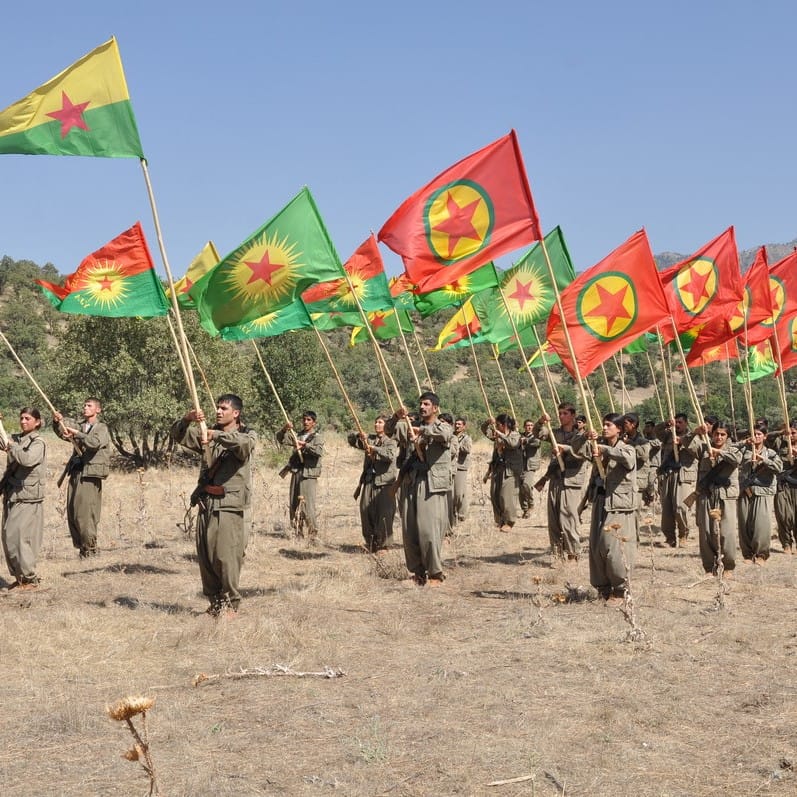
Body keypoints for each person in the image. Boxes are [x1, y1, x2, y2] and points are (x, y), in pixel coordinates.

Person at [171, 395, 256, 616]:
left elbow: (243, 446)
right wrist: (187, 419)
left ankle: (230, 604)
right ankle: (215, 602)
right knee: (206, 557)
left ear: (236, 413)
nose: (218, 411)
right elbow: (178, 435)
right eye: (217, 408)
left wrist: (216, 435)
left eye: (223, 408)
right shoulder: (206, 432)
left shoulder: (246, 434)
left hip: (229, 505)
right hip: (206, 503)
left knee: (226, 557)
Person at [396, 392, 452, 586]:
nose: (422, 407)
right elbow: (390, 430)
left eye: (426, 404)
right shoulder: (410, 426)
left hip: (431, 485)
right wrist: (396, 417)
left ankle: (435, 573)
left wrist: (422, 431)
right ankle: (418, 573)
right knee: (409, 530)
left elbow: (444, 435)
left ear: (435, 408)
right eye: (420, 404)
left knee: (428, 531)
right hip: (412, 481)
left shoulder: (442, 426)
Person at [584, 413, 637, 603]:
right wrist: (587, 437)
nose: (604, 428)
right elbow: (577, 450)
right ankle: (603, 588)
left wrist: (605, 449)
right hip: (601, 502)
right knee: (596, 547)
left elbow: (628, 460)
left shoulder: (627, 448)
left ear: (619, 429)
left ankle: (620, 589)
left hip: (618, 505)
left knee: (613, 547)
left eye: (609, 425)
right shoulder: (597, 447)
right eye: (603, 425)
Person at [53, 397, 111, 558]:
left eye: (89, 405)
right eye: (84, 405)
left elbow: (94, 443)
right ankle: (83, 549)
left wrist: (77, 434)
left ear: (98, 410)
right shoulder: (80, 426)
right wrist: (57, 422)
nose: (85, 408)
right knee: (73, 512)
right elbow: (63, 432)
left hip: (89, 475)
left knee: (85, 514)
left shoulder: (101, 428)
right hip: (76, 473)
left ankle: (90, 549)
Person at [687, 420, 742, 575]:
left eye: (723, 434)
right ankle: (710, 566)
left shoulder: (733, 449)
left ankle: (728, 566)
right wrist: (695, 432)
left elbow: (736, 460)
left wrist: (720, 453)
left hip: (725, 496)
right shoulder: (703, 447)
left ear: (727, 436)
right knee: (706, 533)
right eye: (716, 434)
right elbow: (686, 443)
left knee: (727, 533)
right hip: (706, 494)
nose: (719, 437)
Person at [535, 403, 588, 561]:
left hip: (571, 480)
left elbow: (582, 455)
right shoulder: (555, 433)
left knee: (568, 519)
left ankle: (573, 553)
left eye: (565, 413)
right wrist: (541, 421)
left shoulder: (580, 435)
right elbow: (538, 433)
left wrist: (565, 449)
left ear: (573, 415)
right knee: (553, 519)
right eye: (560, 413)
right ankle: (557, 554)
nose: (561, 416)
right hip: (556, 478)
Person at [0, 408, 47, 589]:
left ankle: (29, 578)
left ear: (37, 422)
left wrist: (12, 446)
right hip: (12, 494)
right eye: (21, 418)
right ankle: (20, 578)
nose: (23, 421)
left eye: (28, 418)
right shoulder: (17, 439)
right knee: (8, 537)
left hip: (27, 497)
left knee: (19, 538)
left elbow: (27, 459)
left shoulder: (38, 443)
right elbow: (5, 442)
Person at [348, 415, 397, 553]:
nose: (376, 424)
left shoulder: (391, 441)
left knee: (384, 513)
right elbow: (351, 441)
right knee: (365, 510)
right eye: (376, 422)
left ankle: (384, 545)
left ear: (386, 425)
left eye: (380, 422)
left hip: (385, 482)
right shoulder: (369, 439)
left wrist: (374, 449)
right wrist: (358, 435)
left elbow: (389, 456)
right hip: (369, 480)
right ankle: (371, 542)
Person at [738, 423, 783, 564]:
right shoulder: (743, 451)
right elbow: (730, 452)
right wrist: (744, 443)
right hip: (745, 491)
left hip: (763, 491)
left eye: (759, 434)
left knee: (761, 525)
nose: (756, 437)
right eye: (754, 434)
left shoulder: (771, 453)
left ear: (764, 436)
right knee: (744, 524)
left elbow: (778, 467)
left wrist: (763, 460)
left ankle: (761, 555)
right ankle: (747, 554)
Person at [277, 410, 324, 540]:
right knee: (294, 503)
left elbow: (318, 451)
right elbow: (281, 439)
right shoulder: (296, 435)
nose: (305, 422)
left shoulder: (317, 437)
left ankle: (313, 536)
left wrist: (305, 445)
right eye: (304, 419)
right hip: (296, 472)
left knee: (307, 506)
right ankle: (298, 533)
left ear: (314, 423)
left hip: (308, 474)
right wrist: (285, 429)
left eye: (309, 420)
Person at [655, 413, 698, 547]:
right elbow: (656, 431)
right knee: (667, 508)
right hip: (668, 474)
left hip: (683, 476)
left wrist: (682, 441)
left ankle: (683, 534)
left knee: (681, 507)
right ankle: (670, 538)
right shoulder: (668, 435)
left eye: (680, 422)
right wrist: (666, 423)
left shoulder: (693, 437)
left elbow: (697, 451)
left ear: (686, 423)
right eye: (676, 422)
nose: (678, 425)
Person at [481, 413, 522, 532]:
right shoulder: (497, 435)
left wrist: (501, 435)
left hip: (510, 471)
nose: (496, 427)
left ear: (504, 425)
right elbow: (484, 430)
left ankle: (509, 522)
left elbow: (512, 444)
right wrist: (488, 422)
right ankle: (499, 520)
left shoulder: (515, 435)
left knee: (506, 496)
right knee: (495, 495)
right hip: (497, 469)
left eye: (498, 425)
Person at [622, 413, 651, 529]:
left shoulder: (643, 441)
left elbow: (644, 456)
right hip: (623, 481)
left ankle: (635, 537)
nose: (623, 426)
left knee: (634, 513)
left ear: (633, 424)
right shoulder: (621, 439)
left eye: (625, 423)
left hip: (637, 482)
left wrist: (630, 444)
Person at [773, 422, 797, 554]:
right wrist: (781, 432)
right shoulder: (779, 442)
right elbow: (766, 437)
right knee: (783, 515)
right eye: (789, 433)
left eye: (794, 433)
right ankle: (786, 543)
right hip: (783, 484)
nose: (791, 436)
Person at [519, 419, 542, 519]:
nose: (529, 427)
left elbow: (537, 443)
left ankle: (531, 504)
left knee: (526, 484)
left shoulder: (536, 436)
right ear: (524, 426)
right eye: (527, 425)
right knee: (521, 488)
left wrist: (526, 441)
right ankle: (525, 509)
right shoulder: (520, 436)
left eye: (531, 425)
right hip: (520, 465)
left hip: (531, 465)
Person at [451, 417, 472, 524]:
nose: (457, 426)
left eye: (459, 424)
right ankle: (455, 513)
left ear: (464, 426)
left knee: (459, 493)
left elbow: (467, 449)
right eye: (456, 424)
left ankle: (461, 513)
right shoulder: (450, 435)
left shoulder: (467, 438)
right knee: (452, 492)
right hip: (451, 466)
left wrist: (455, 445)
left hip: (461, 467)